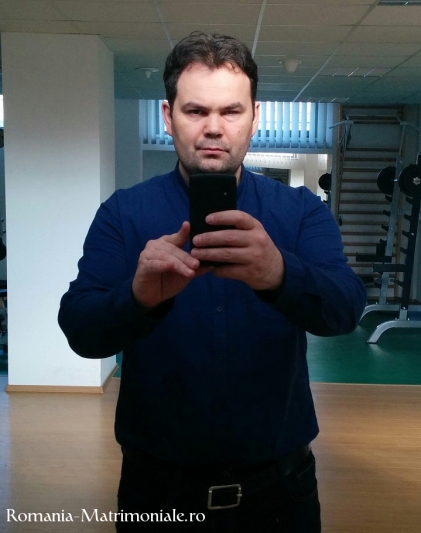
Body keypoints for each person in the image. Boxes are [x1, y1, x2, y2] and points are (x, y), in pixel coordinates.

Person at [58, 32, 366, 532]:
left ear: (255, 116)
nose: (214, 128)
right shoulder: (124, 213)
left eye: (231, 111)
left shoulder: (301, 212)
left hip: (281, 492)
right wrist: (136, 298)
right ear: (168, 116)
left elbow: (346, 309)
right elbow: (79, 329)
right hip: (156, 492)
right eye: (196, 111)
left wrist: (280, 274)